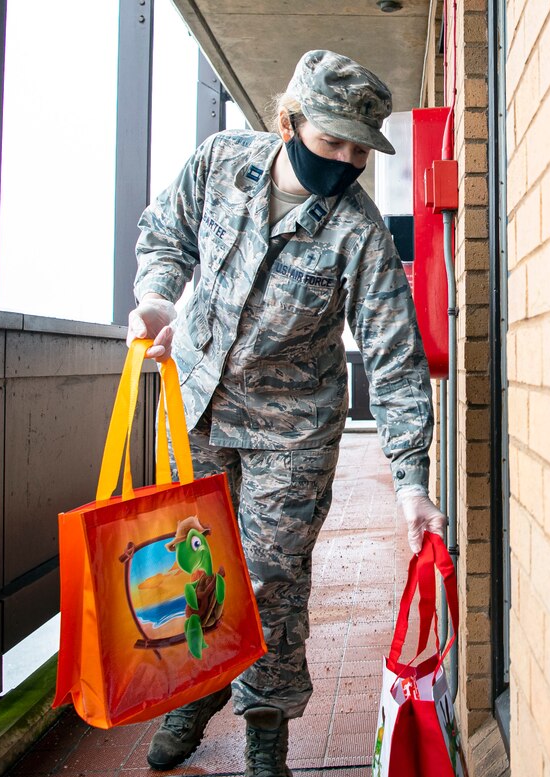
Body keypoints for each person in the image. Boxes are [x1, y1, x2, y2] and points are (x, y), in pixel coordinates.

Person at [126, 49, 446, 777]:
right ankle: (196, 691)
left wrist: (409, 480)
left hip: (292, 430)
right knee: (194, 560)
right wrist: (158, 297)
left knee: (271, 576)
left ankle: (264, 721)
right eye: (332, 140)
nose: (348, 160)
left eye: (361, 148)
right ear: (288, 122)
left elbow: (393, 355)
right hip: (201, 405)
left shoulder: (357, 229)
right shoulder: (219, 164)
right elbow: (165, 234)